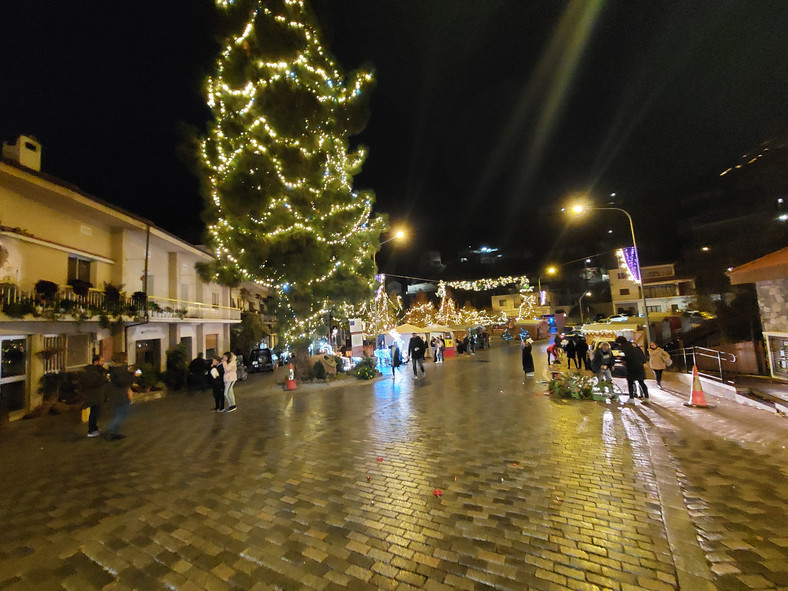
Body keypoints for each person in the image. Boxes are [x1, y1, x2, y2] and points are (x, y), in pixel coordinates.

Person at [103, 363, 134, 441]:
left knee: (119, 415)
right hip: (121, 398)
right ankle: (109, 430)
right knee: (120, 416)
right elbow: (127, 384)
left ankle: (114, 433)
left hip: (115, 398)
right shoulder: (122, 376)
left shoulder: (113, 374)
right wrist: (135, 376)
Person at [615, 336, 649, 401]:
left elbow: (625, 357)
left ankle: (631, 398)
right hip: (639, 367)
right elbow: (642, 356)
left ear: (619, 342)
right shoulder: (634, 346)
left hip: (631, 367)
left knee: (630, 383)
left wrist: (621, 359)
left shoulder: (623, 348)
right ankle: (647, 397)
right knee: (641, 382)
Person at [82, 355, 107, 438]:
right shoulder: (91, 372)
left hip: (98, 396)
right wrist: (104, 379)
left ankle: (94, 430)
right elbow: (93, 383)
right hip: (94, 396)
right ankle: (91, 431)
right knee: (94, 413)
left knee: (96, 413)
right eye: (101, 361)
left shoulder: (99, 371)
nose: (103, 363)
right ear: (95, 362)